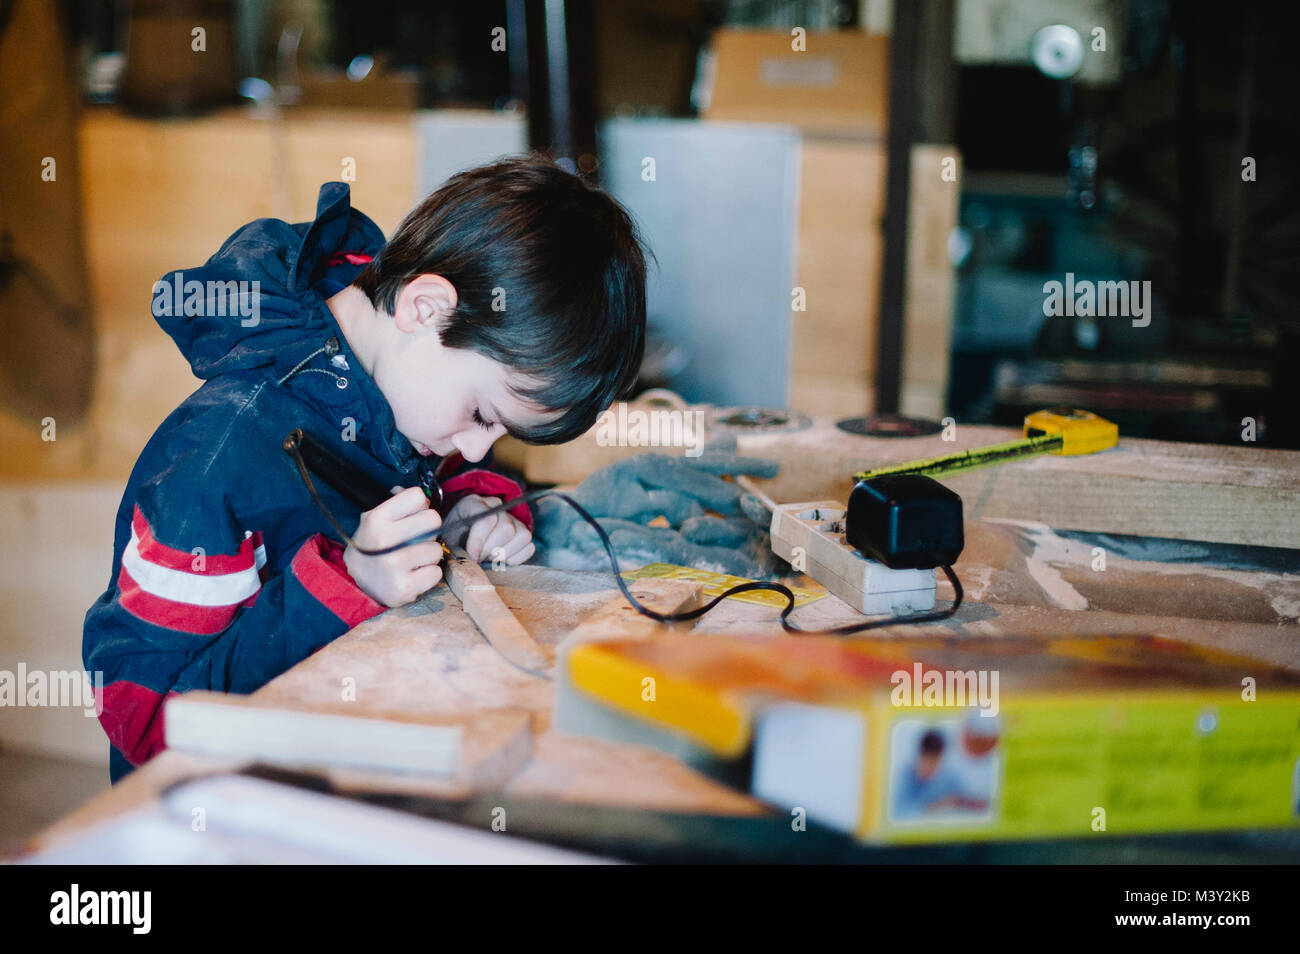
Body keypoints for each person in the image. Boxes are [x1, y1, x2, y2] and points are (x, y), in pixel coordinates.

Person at [83, 155, 648, 782]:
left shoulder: (391, 385)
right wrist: (346, 584)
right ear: (426, 308)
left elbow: (416, 464)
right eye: (482, 413)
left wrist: (462, 508)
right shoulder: (213, 463)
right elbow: (146, 721)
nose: (481, 447)